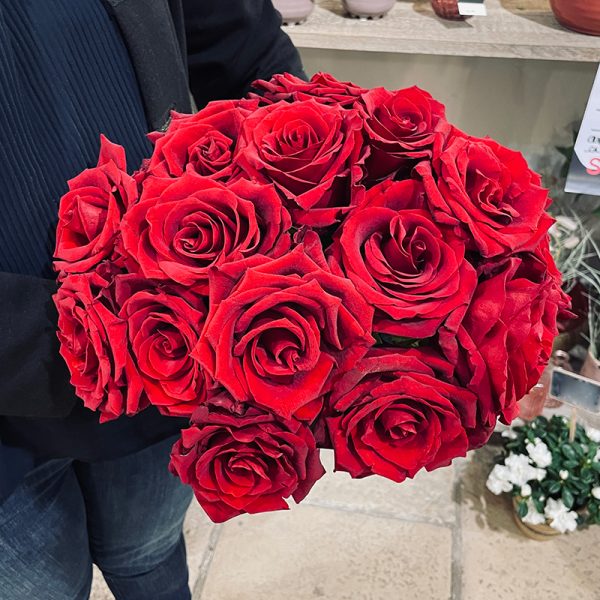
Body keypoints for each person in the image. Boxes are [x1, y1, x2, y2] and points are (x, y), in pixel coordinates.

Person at [0, 1, 304, 598]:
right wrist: (93, 337)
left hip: (161, 367)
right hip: (46, 387)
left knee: (148, 555)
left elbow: (239, 41)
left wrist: (323, 159)